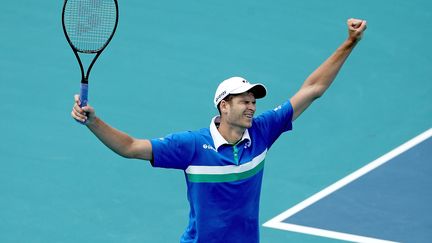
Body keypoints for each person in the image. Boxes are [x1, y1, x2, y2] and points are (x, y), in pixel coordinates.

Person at [71, 18, 367, 243]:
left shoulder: (263, 131)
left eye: (253, 101)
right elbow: (131, 147)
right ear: (223, 107)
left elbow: (313, 89)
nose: (251, 107)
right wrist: (93, 121)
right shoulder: (191, 146)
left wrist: (349, 43)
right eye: (244, 101)